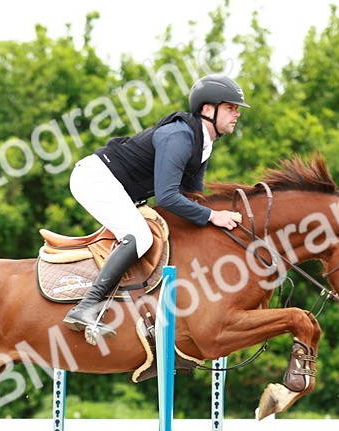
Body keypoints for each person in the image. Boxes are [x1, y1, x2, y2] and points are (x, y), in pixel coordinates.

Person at [62, 74, 250, 342]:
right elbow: (167, 199)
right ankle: (86, 307)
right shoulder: (180, 136)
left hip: (115, 185)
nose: (237, 114)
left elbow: (191, 197)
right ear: (208, 109)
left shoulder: (202, 144)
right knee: (139, 236)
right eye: (231, 107)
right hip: (94, 179)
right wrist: (213, 215)